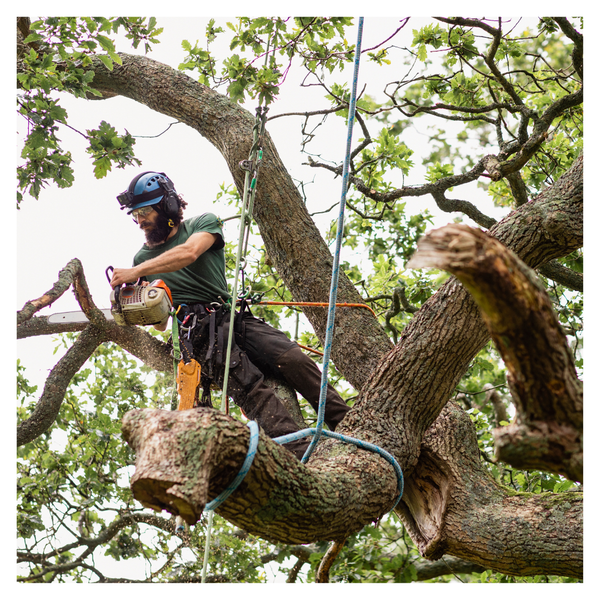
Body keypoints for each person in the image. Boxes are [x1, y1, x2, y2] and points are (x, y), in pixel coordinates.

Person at [110, 171, 350, 459]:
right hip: (197, 331)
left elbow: (189, 253)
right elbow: (161, 324)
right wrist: (139, 302)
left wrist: (136, 272)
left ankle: (348, 425)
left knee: (293, 358)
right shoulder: (142, 259)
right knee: (250, 386)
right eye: (135, 214)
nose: (140, 221)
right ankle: (302, 455)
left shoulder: (203, 224)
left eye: (145, 211)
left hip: (230, 317)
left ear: (168, 207)